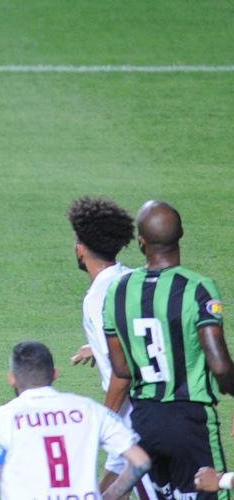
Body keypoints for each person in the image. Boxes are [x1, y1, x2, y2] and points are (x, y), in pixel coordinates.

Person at [104, 200, 234, 499]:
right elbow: (221, 366)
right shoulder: (198, 288)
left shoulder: (117, 291)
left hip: (145, 421)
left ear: (141, 242)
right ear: (181, 235)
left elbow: (121, 369)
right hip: (190, 421)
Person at [0, 341, 151, 500]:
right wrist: (109, 496)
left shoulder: (1, 418)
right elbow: (141, 461)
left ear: (11, 379)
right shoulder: (90, 410)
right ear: (55, 374)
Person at [67, 197, 155, 499]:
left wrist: (104, 420)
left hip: (136, 416)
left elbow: (123, 372)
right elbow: (141, 331)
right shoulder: (132, 277)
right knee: (108, 492)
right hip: (154, 408)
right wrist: (97, 346)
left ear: (81, 249)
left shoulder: (97, 298)